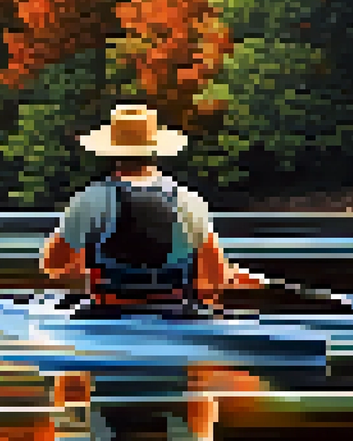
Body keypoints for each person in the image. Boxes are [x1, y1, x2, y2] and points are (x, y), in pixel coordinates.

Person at [40, 104, 260, 318]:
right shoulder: (189, 201)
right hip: (176, 313)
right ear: (155, 151)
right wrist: (229, 277)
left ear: (112, 152)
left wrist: (85, 264)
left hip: (109, 312)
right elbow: (214, 277)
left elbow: (53, 265)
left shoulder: (89, 199)